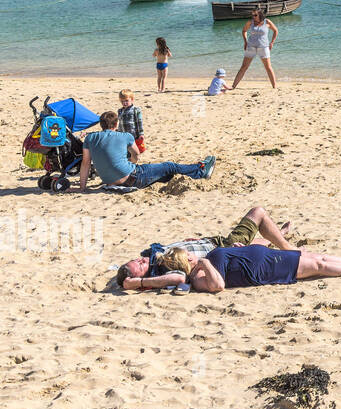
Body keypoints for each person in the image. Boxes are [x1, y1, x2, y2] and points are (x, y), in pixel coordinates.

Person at [114, 207, 295, 290]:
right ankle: (288, 248)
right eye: (139, 266)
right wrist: (138, 283)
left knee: (252, 244)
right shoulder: (160, 272)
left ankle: (277, 235)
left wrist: (186, 243)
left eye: (135, 260)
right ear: (141, 276)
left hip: (212, 241)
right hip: (222, 250)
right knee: (258, 213)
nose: (140, 260)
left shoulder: (154, 256)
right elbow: (179, 277)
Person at [150, 245, 341, 293]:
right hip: (268, 268)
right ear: (186, 263)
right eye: (188, 256)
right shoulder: (200, 275)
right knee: (319, 265)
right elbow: (218, 286)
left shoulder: (204, 263)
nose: (192, 254)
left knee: (317, 256)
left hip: (266, 256)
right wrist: (206, 263)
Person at [77, 110, 215, 191]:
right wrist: (132, 161)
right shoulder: (125, 136)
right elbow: (136, 155)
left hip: (109, 181)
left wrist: (82, 187)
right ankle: (200, 170)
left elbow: (86, 163)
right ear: (116, 124)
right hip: (132, 179)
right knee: (169, 166)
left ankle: (175, 176)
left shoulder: (90, 138)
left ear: (101, 125)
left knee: (164, 174)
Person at [231, 10, 278, 89]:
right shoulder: (250, 22)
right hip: (251, 47)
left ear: (260, 15)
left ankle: (274, 87)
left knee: (268, 67)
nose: (253, 17)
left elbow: (275, 31)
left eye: (255, 15)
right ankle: (233, 86)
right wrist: (245, 42)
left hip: (263, 47)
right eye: (252, 15)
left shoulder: (267, 22)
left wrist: (272, 42)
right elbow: (244, 31)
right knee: (244, 67)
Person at [117, 89, 145, 153]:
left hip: (133, 134)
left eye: (126, 101)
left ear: (132, 99)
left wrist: (141, 134)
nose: (124, 103)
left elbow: (139, 122)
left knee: (135, 150)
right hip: (123, 134)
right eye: (122, 101)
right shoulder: (120, 111)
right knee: (125, 149)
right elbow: (120, 123)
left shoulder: (136, 110)